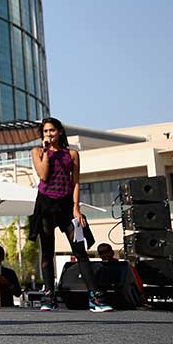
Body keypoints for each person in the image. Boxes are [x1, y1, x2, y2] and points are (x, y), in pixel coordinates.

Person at [30, 117, 112, 313]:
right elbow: (42, 175)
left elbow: (76, 182)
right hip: (45, 204)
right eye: (45, 132)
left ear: (59, 132)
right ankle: (49, 296)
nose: (48, 134)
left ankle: (95, 298)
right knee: (47, 253)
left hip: (67, 205)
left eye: (52, 130)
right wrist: (46, 153)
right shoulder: (37, 152)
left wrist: (76, 208)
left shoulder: (72, 154)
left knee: (80, 251)